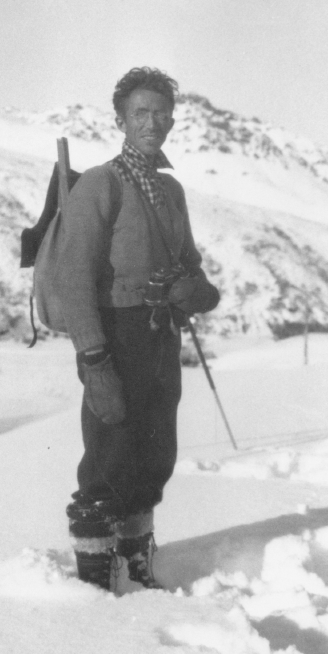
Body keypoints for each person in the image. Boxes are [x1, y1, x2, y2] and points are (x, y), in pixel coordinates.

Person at [55, 67, 220, 591]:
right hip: (114, 336)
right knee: (109, 454)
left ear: (172, 119)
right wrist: (95, 360)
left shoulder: (169, 190)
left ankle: (136, 561)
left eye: (161, 113)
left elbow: (191, 265)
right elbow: (73, 276)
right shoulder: (103, 183)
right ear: (121, 120)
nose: (153, 123)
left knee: (154, 452)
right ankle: (96, 583)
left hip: (160, 335)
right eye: (140, 114)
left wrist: (188, 290)